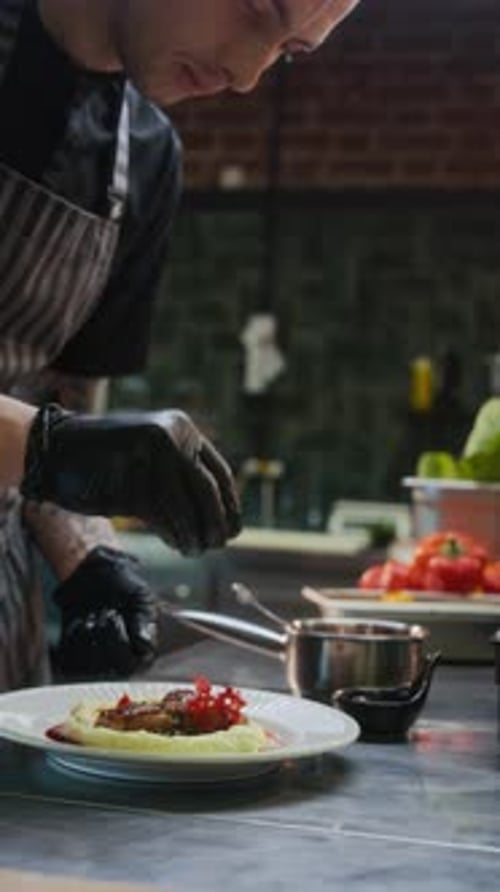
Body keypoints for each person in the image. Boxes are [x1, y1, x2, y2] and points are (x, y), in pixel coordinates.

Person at [0, 0, 360, 691]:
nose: (249, 73)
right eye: (256, 8)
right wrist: (59, 447)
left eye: (290, 50)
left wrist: (95, 562)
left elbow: (60, 405)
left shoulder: (147, 157)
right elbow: (56, 440)